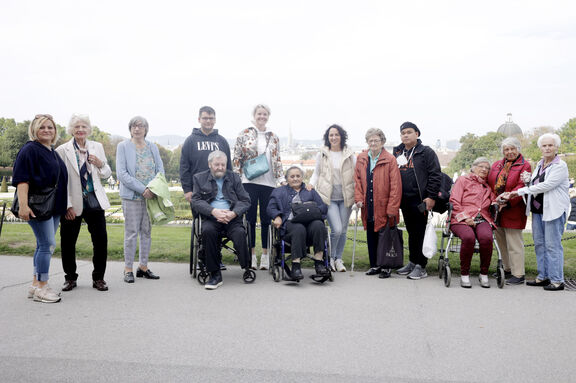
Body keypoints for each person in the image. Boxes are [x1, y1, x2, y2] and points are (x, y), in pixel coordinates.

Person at [12, 114, 68, 303]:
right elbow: (21, 179)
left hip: (53, 207)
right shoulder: (30, 150)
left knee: (42, 245)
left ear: (55, 131)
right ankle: (43, 286)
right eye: (42, 127)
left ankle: (36, 285)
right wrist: (24, 206)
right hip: (38, 206)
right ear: (34, 130)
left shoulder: (52, 151)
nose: (46, 130)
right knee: (47, 245)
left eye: (50, 127)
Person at [56, 114, 111, 292]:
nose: (80, 130)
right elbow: (60, 181)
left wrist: (100, 163)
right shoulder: (62, 150)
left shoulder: (97, 147)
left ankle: (99, 278)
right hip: (72, 203)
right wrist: (67, 205)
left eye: (84, 127)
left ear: (89, 129)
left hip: (94, 200)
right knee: (68, 242)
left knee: (101, 241)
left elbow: (107, 173)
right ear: (71, 129)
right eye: (77, 127)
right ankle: (70, 278)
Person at [508, 133, 570, 291]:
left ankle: (557, 280)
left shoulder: (560, 166)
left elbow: (547, 185)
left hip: (554, 211)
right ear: (540, 148)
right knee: (540, 245)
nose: (547, 148)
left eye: (550, 145)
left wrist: (521, 190)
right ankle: (543, 276)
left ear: (556, 147)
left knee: (553, 246)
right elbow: (535, 183)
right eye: (544, 145)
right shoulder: (539, 164)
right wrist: (527, 181)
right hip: (538, 210)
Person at [180, 106, 232, 271]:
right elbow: (184, 167)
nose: (208, 121)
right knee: (204, 227)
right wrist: (187, 190)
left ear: (214, 120)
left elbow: (228, 167)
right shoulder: (190, 141)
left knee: (218, 224)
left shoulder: (222, 141)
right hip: (198, 191)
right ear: (199, 119)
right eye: (205, 118)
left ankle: (216, 257)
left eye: (211, 118)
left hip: (219, 192)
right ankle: (204, 257)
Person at [191, 151, 252, 290]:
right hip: (211, 217)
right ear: (210, 164)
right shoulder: (199, 178)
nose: (220, 167)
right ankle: (215, 274)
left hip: (232, 218)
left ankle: (246, 266)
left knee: (240, 233)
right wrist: (214, 211)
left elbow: (245, 200)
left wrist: (233, 213)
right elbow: (196, 200)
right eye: (216, 164)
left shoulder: (234, 177)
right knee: (208, 232)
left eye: (223, 164)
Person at [233, 104, 283, 271]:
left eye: (265, 114)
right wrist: (237, 179)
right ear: (254, 115)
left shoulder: (273, 137)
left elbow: (277, 160)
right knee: (251, 220)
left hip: (269, 183)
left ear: (268, 116)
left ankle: (265, 255)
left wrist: (281, 179)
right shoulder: (244, 134)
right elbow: (237, 158)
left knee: (267, 220)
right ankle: (252, 254)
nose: (262, 117)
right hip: (249, 182)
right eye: (259, 114)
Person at [116, 116, 164, 283]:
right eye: (134, 126)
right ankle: (128, 269)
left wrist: (154, 188)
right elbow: (122, 174)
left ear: (145, 129)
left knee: (146, 232)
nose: (137, 129)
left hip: (150, 196)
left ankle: (143, 267)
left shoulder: (153, 147)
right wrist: (142, 189)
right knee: (131, 233)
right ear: (130, 129)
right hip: (132, 197)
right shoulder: (123, 146)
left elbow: (160, 170)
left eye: (140, 126)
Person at [393, 122, 442, 280]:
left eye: (409, 132)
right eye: (403, 133)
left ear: (417, 134)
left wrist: (431, 196)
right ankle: (413, 262)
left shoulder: (426, 152)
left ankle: (421, 265)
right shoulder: (398, 152)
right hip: (404, 200)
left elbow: (435, 175)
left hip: (421, 199)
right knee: (412, 232)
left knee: (420, 232)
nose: (405, 135)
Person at [354, 128, 402, 278]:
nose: (373, 143)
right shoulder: (362, 158)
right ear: (367, 142)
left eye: (376, 140)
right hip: (368, 203)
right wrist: (358, 199)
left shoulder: (390, 159)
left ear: (382, 142)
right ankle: (374, 265)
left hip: (385, 203)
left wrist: (393, 207)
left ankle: (386, 266)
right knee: (371, 234)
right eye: (370, 140)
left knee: (385, 234)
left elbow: (396, 185)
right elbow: (357, 181)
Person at [308, 124, 356, 272]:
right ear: (327, 138)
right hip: (328, 198)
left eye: (336, 135)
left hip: (345, 197)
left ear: (341, 136)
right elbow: (316, 173)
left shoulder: (350, 155)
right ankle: (330, 257)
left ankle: (338, 259)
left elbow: (356, 176)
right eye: (331, 135)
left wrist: (358, 195)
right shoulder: (322, 154)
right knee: (336, 229)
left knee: (343, 230)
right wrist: (310, 185)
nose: (334, 137)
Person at [267, 166, 329, 280]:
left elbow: (323, 207)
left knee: (319, 225)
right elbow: (270, 208)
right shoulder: (279, 192)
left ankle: (319, 264)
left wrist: (315, 212)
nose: (295, 179)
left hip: (310, 226)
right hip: (290, 226)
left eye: (298, 176)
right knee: (299, 228)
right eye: (292, 176)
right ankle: (295, 266)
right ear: (286, 178)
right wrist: (277, 216)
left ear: (302, 177)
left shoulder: (310, 191)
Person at [486, 137, 531, 285]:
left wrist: (507, 200)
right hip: (497, 209)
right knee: (501, 242)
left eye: (512, 148)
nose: (509, 152)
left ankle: (518, 274)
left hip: (513, 208)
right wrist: (494, 200)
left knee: (514, 243)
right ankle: (507, 269)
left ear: (518, 149)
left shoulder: (525, 166)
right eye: (506, 149)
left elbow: (521, 187)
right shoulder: (497, 165)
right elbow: (490, 184)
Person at [449, 157, 497, 288]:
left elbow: (494, 200)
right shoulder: (463, 180)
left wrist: (499, 202)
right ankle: (464, 274)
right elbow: (454, 201)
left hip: (482, 218)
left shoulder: (487, 186)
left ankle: (484, 273)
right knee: (469, 237)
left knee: (487, 238)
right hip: (460, 219)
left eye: (487, 168)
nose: (484, 169)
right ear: (473, 167)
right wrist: (465, 218)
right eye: (481, 166)